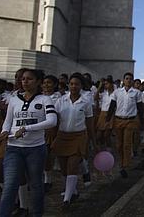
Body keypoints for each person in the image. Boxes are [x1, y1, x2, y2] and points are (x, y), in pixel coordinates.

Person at [0, 69, 57, 217]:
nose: (25, 81)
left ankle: (36, 214)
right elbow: (8, 121)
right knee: (10, 186)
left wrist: (27, 128)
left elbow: (52, 121)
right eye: (23, 79)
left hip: (36, 149)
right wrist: (4, 131)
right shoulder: (14, 99)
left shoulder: (45, 99)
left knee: (36, 185)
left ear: (38, 82)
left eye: (29, 79)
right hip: (13, 148)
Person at [52, 73, 95, 207]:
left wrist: (93, 141)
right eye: (71, 84)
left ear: (81, 86)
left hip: (78, 137)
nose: (73, 86)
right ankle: (73, 192)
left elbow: (89, 123)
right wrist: (53, 138)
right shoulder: (60, 101)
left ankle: (67, 200)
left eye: (76, 84)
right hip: (62, 136)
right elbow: (55, 121)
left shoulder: (86, 103)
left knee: (72, 165)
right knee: (64, 168)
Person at [107, 72, 143, 178]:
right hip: (118, 120)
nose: (129, 80)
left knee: (127, 143)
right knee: (119, 144)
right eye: (127, 78)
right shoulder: (117, 92)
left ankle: (125, 165)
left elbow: (140, 107)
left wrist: (141, 120)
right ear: (123, 80)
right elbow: (112, 105)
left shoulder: (137, 93)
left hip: (130, 121)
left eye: (131, 79)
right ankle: (121, 160)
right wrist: (108, 118)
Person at [41, 74, 60, 191]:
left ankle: (47, 180)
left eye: (49, 82)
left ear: (55, 85)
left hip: (50, 130)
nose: (46, 85)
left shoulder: (58, 99)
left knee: (47, 156)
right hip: (37, 130)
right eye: (44, 83)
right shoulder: (38, 97)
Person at [95, 78, 115, 150]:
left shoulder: (115, 93)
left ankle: (108, 148)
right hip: (102, 113)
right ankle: (100, 148)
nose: (105, 85)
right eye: (105, 84)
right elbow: (96, 97)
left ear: (111, 84)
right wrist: (99, 87)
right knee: (98, 135)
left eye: (107, 83)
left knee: (107, 134)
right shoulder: (104, 93)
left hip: (110, 114)